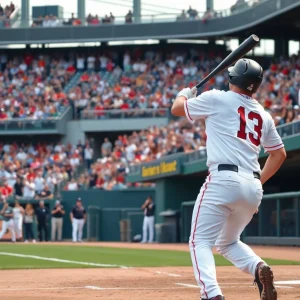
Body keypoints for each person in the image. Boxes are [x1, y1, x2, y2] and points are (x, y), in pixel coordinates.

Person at [171, 58, 286, 300]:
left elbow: (177, 109)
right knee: (227, 242)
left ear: (233, 78)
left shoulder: (217, 98)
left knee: (199, 242)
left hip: (223, 179)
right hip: (253, 185)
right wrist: (259, 183)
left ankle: (212, 294)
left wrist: (184, 94)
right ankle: (258, 267)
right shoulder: (263, 115)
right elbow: (279, 154)